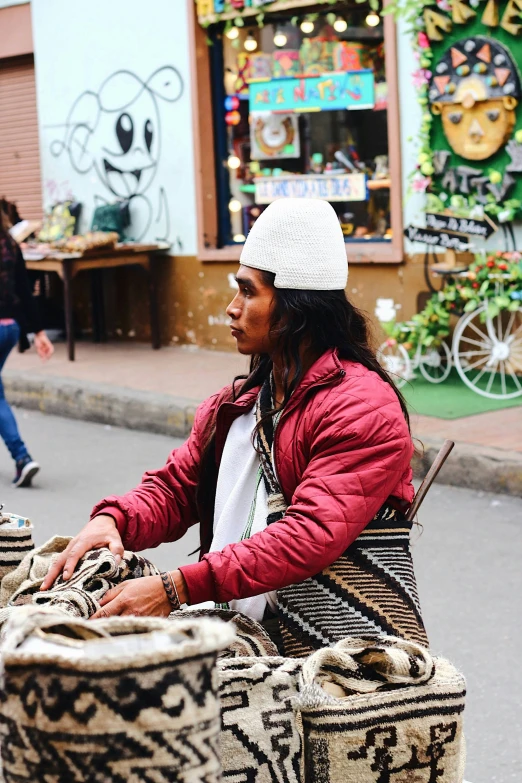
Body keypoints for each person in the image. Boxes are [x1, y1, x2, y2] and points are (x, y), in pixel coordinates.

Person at [42, 198, 427, 655]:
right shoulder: (239, 403)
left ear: (295, 306)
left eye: (247, 292)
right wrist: (114, 520)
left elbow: (306, 536)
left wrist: (175, 588)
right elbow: (177, 487)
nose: (231, 307)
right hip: (240, 630)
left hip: (330, 648)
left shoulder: (363, 406)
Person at [0, 208, 53, 486]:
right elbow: (24, 288)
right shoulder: (9, 243)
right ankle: (22, 458)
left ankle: (22, 457)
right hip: (9, 328)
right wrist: (40, 332)